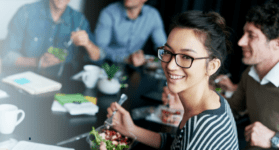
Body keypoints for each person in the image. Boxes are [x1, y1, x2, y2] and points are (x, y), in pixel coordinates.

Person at [100, 11, 239, 150]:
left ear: (212, 66)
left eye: (186, 57)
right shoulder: (215, 101)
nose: (171, 65)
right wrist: (131, 130)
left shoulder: (204, 131)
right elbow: (177, 143)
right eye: (167, 52)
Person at [217, 2, 279, 149]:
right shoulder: (250, 74)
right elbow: (230, 110)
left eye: (251, 36)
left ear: (277, 43)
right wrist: (197, 96)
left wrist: (273, 139)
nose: (240, 42)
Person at [2, 0, 105, 70]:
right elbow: (7, 56)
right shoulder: (26, 12)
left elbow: (98, 57)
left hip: (65, 85)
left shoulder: (79, 20)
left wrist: (88, 44)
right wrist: (36, 62)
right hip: (27, 78)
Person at [95, 0, 167, 67]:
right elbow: (100, 48)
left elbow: (161, 45)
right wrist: (126, 58)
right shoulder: (109, 13)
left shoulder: (153, 15)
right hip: (106, 66)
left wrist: (165, 57)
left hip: (133, 69)